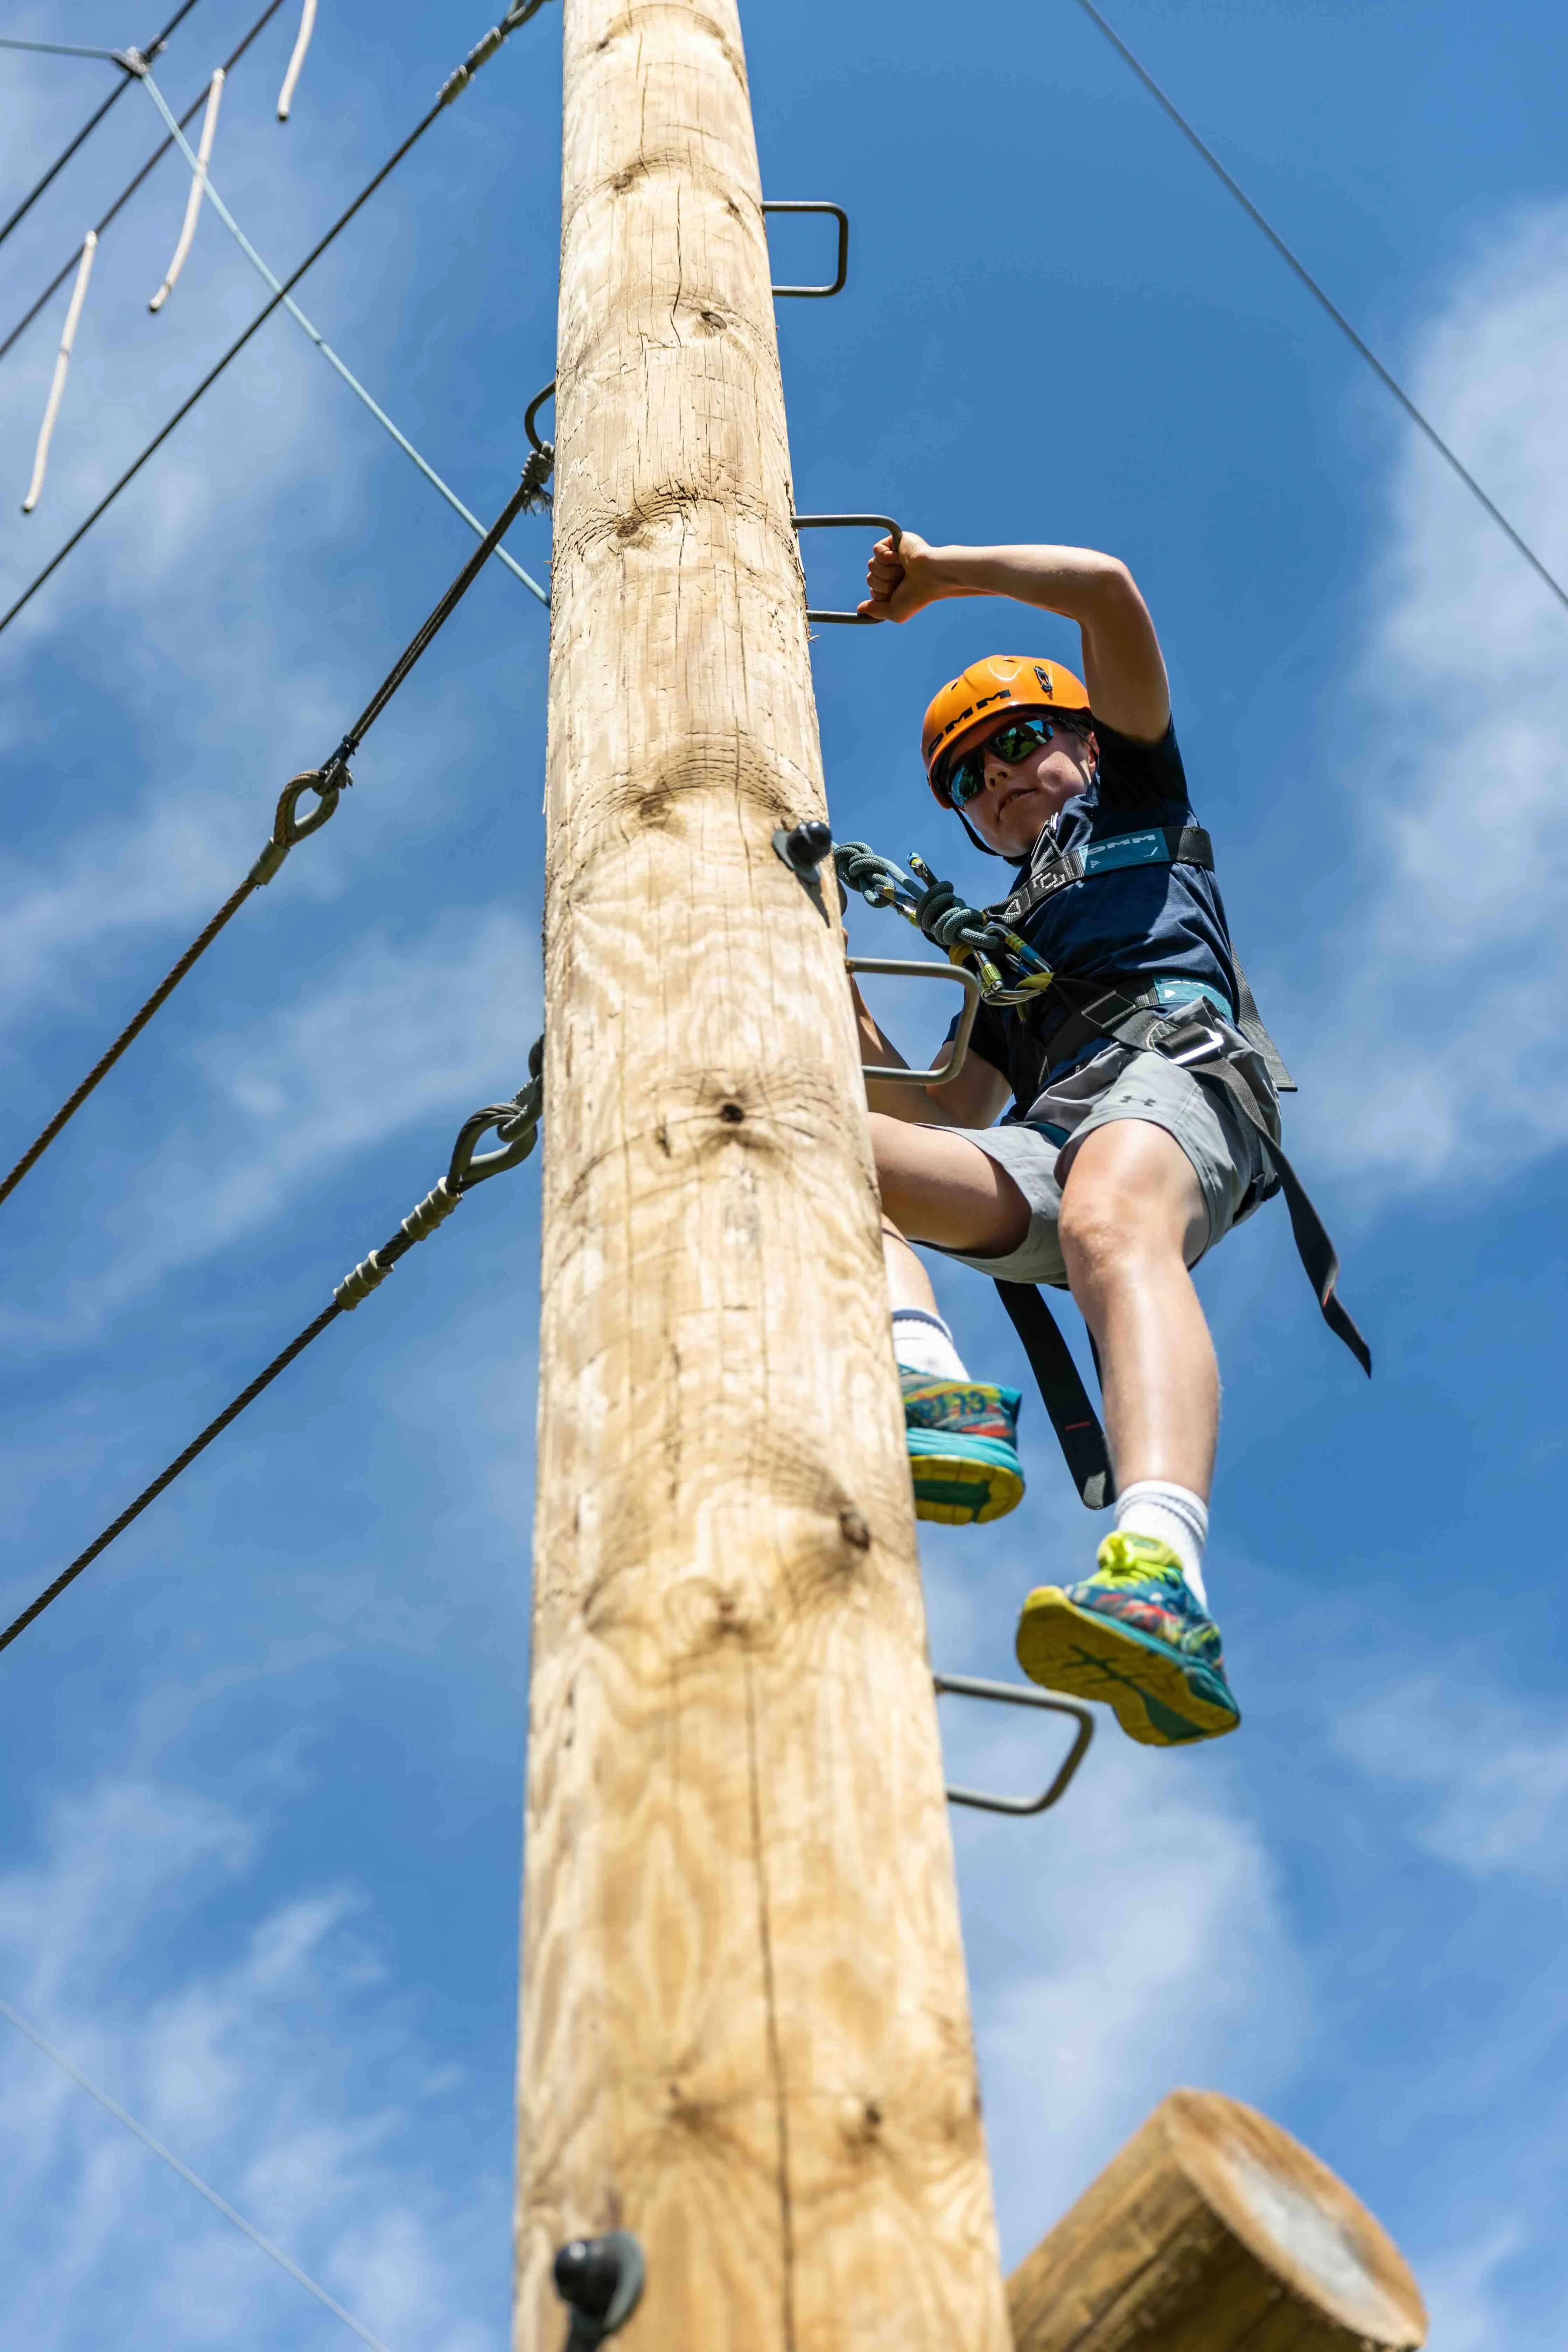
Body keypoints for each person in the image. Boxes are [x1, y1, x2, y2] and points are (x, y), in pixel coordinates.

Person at [849, 532, 1305, 1751]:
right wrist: (836, 1008)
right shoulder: (1005, 945)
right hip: (1053, 1144)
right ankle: (932, 1388)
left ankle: (1160, 1567)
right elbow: (944, 1112)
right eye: (966, 778)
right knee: (822, 1151)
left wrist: (941, 575)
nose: (998, 773)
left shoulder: (1142, 799)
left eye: (1019, 740)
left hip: (1175, 1086)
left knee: (1111, 1215)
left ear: (1085, 740)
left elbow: (1107, 589)